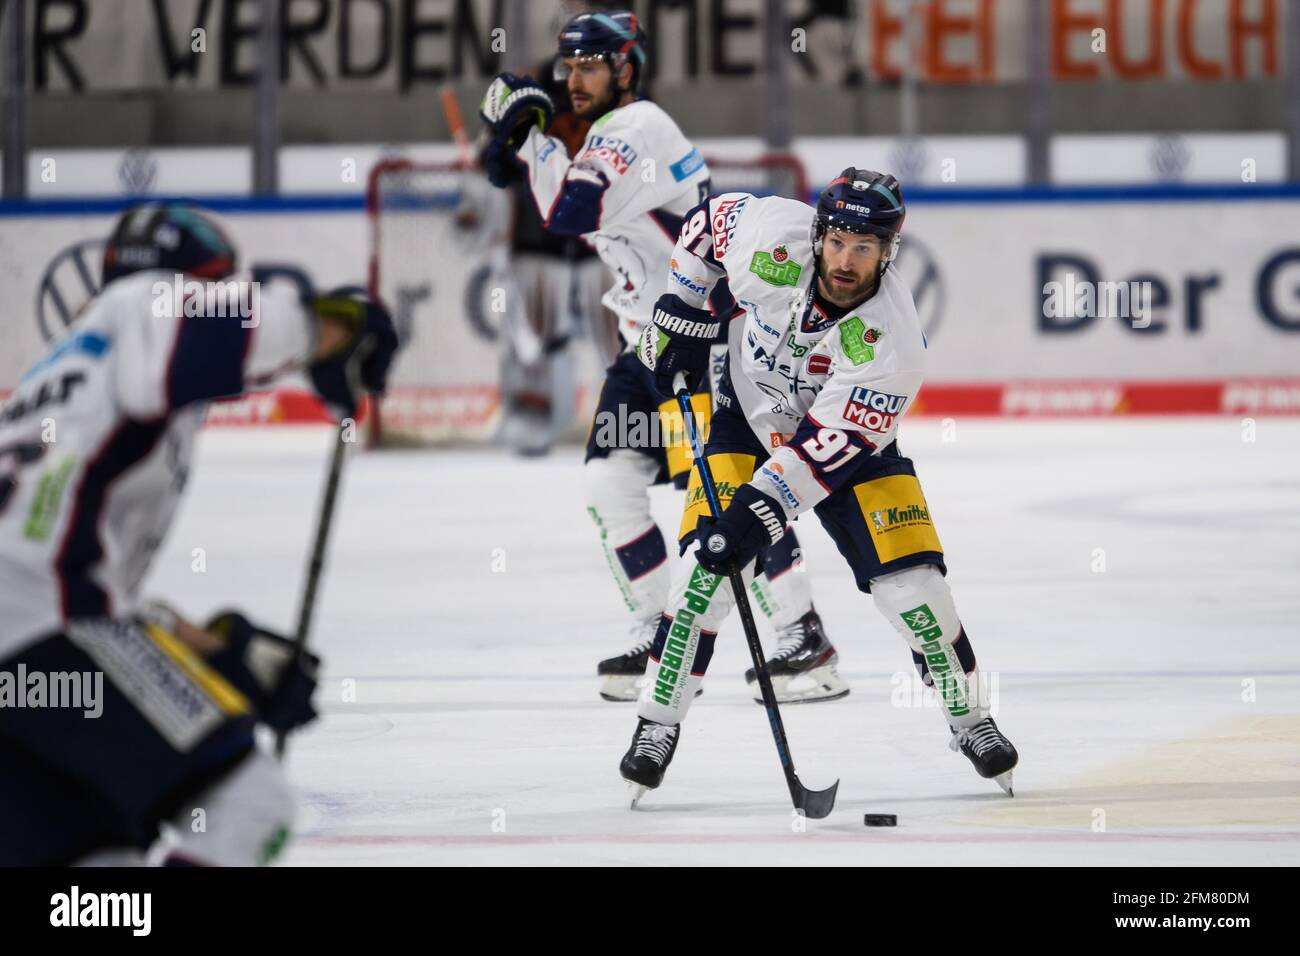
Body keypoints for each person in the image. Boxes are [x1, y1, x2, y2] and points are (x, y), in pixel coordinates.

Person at [0, 203, 398, 865]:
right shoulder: (139, 306)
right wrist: (332, 327)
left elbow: (92, 588)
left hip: (32, 652)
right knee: (250, 806)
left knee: (94, 863)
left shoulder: (50, 389)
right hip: (45, 625)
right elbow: (217, 331)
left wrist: (210, 650)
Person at [479, 10, 846, 704]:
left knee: (727, 489)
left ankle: (803, 635)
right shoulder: (600, 136)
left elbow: (568, 212)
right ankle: (656, 628)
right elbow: (543, 187)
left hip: (699, 339)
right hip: (643, 344)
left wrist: (527, 137)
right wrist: (518, 144)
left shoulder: (637, 127)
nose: (575, 78)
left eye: (591, 64)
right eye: (570, 66)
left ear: (626, 68)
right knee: (609, 484)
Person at [620, 170, 1019, 800]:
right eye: (838, 241)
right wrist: (679, 312)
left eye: (865, 247)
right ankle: (656, 724)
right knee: (701, 579)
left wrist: (753, 517)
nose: (846, 259)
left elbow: (818, 459)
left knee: (916, 592)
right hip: (744, 420)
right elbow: (703, 225)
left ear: (888, 252)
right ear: (818, 233)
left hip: (846, 453)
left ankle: (971, 718)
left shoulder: (892, 347)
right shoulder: (770, 238)